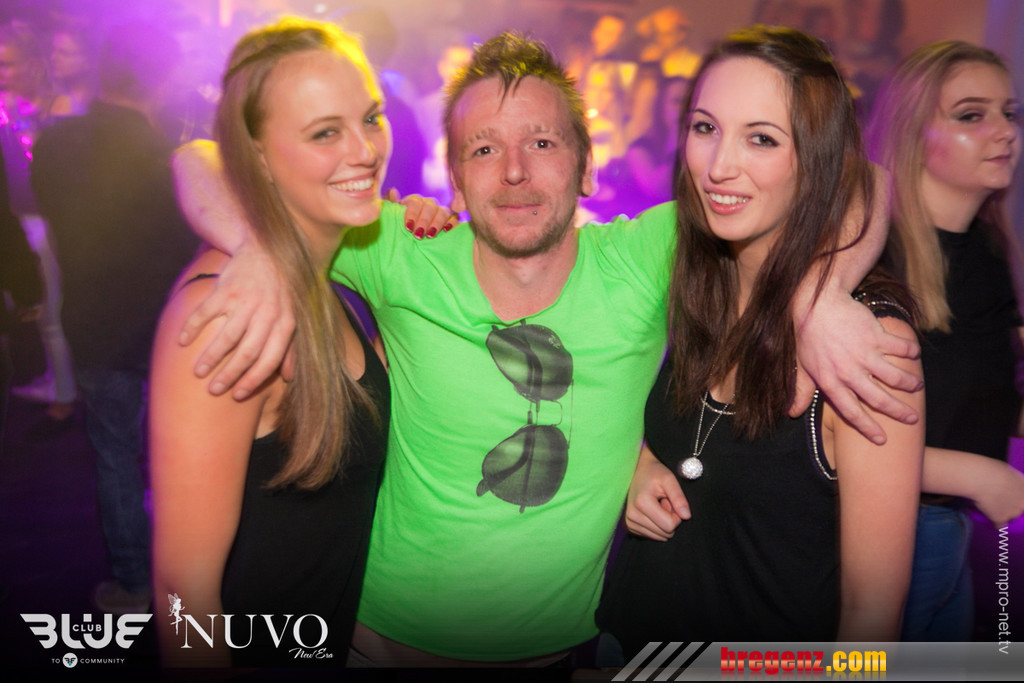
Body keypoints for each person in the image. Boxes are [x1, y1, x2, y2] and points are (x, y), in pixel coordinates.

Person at [172, 31, 921, 665]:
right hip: (381, 652)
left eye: (541, 142)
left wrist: (822, 292)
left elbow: (859, 176)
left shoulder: (644, 258)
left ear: (588, 166)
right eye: (483, 148)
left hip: (564, 658)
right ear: (454, 179)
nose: (515, 171)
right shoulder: (394, 248)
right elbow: (204, 159)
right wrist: (256, 246)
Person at [596, 25, 924, 653]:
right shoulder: (696, 280)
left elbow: (873, 615)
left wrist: (819, 296)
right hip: (620, 646)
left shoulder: (867, 338)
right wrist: (641, 463)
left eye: (762, 138)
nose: (719, 166)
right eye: (705, 127)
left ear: (815, 159)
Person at [149, 17, 417, 667]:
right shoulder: (224, 313)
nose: (364, 150)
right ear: (260, 155)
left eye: (370, 118)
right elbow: (184, 593)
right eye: (325, 132)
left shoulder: (329, 280)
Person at [30, 21, 199, 615]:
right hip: (169, 329)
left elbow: (55, 224)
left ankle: (133, 588)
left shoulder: (54, 144)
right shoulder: (171, 157)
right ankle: (191, 584)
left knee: (114, 458)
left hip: (96, 322)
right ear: (163, 79)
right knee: (184, 458)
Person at [865, 41, 1024, 641]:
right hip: (886, 531)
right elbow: (822, 439)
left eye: (1009, 113)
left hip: (948, 532)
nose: (1004, 131)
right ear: (913, 134)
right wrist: (980, 476)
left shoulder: (987, 249)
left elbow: (991, 401)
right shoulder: (869, 256)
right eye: (971, 115)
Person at [0, 22, 77, 429]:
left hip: (52, 222)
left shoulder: (58, 107)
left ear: (33, 64)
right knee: (47, 312)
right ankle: (57, 381)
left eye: (7, 65)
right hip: (23, 220)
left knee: (53, 313)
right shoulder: (8, 106)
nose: (2, 74)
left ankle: (64, 398)